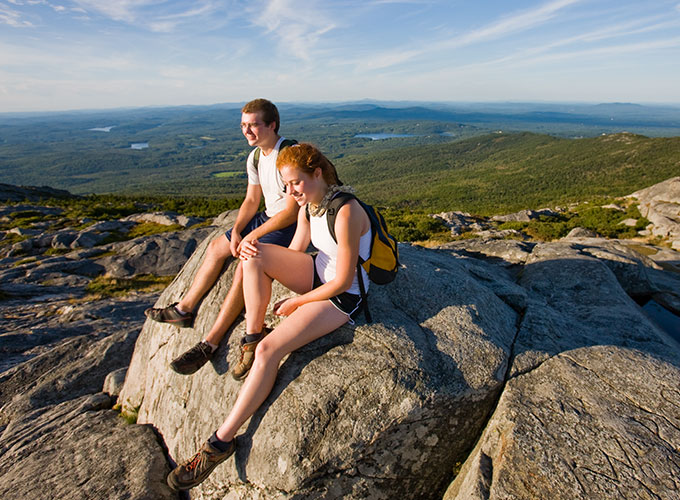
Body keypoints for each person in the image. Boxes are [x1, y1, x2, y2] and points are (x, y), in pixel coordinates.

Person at [166, 143, 372, 491]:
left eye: (295, 184)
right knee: (254, 255)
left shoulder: (347, 210)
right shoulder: (311, 205)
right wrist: (256, 251)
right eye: (286, 186)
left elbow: (341, 280)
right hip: (317, 272)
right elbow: (295, 253)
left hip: (342, 295)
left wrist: (299, 302)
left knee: (269, 353)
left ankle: (219, 443)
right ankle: (251, 334)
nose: (291, 193)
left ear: (317, 174)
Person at [144, 99, 298, 378]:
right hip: (267, 217)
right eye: (243, 126)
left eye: (253, 125)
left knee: (245, 263)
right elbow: (252, 199)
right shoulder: (254, 157)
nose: (247, 131)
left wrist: (251, 236)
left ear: (272, 125)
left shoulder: (288, 154)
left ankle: (210, 342)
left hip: (288, 224)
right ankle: (184, 308)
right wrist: (238, 229)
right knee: (217, 247)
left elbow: (291, 212)